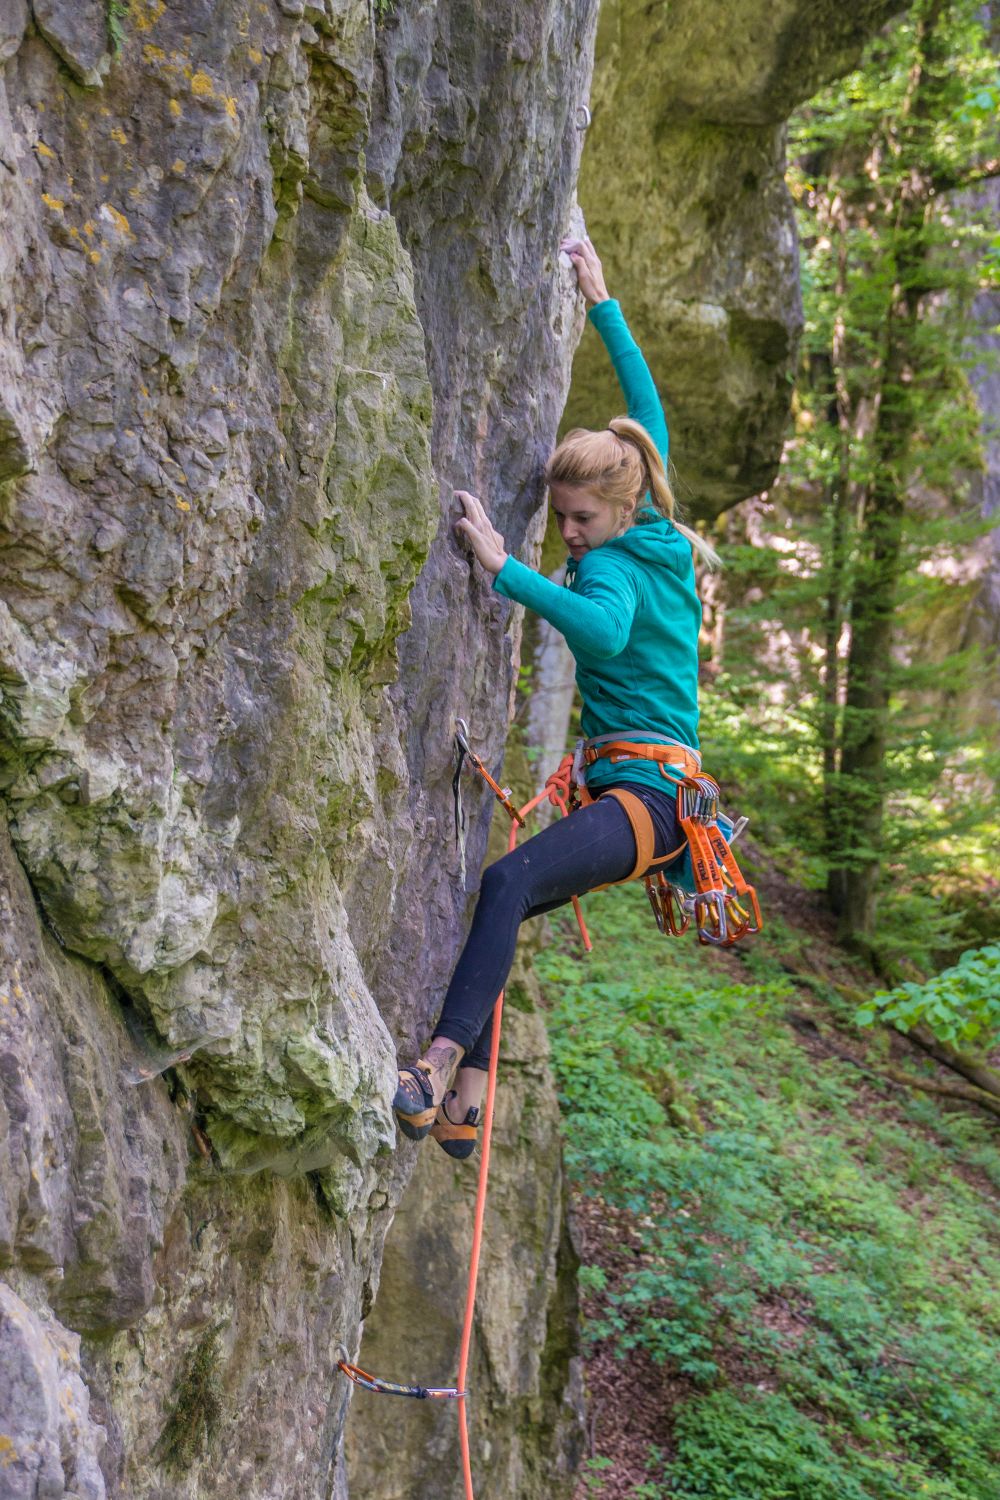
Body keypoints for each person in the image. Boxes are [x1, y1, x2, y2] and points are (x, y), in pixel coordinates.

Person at [394, 237, 719, 1159]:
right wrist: (601, 302)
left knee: (505, 881)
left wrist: (503, 567)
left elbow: (605, 631)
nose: (569, 535)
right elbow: (645, 415)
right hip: (648, 794)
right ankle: (465, 1111)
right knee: (512, 899)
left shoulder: (613, 566)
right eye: (561, 519)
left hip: (652, 799)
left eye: (580, 519)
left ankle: (435, 1066)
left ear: (618, 510)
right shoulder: (650, 525)